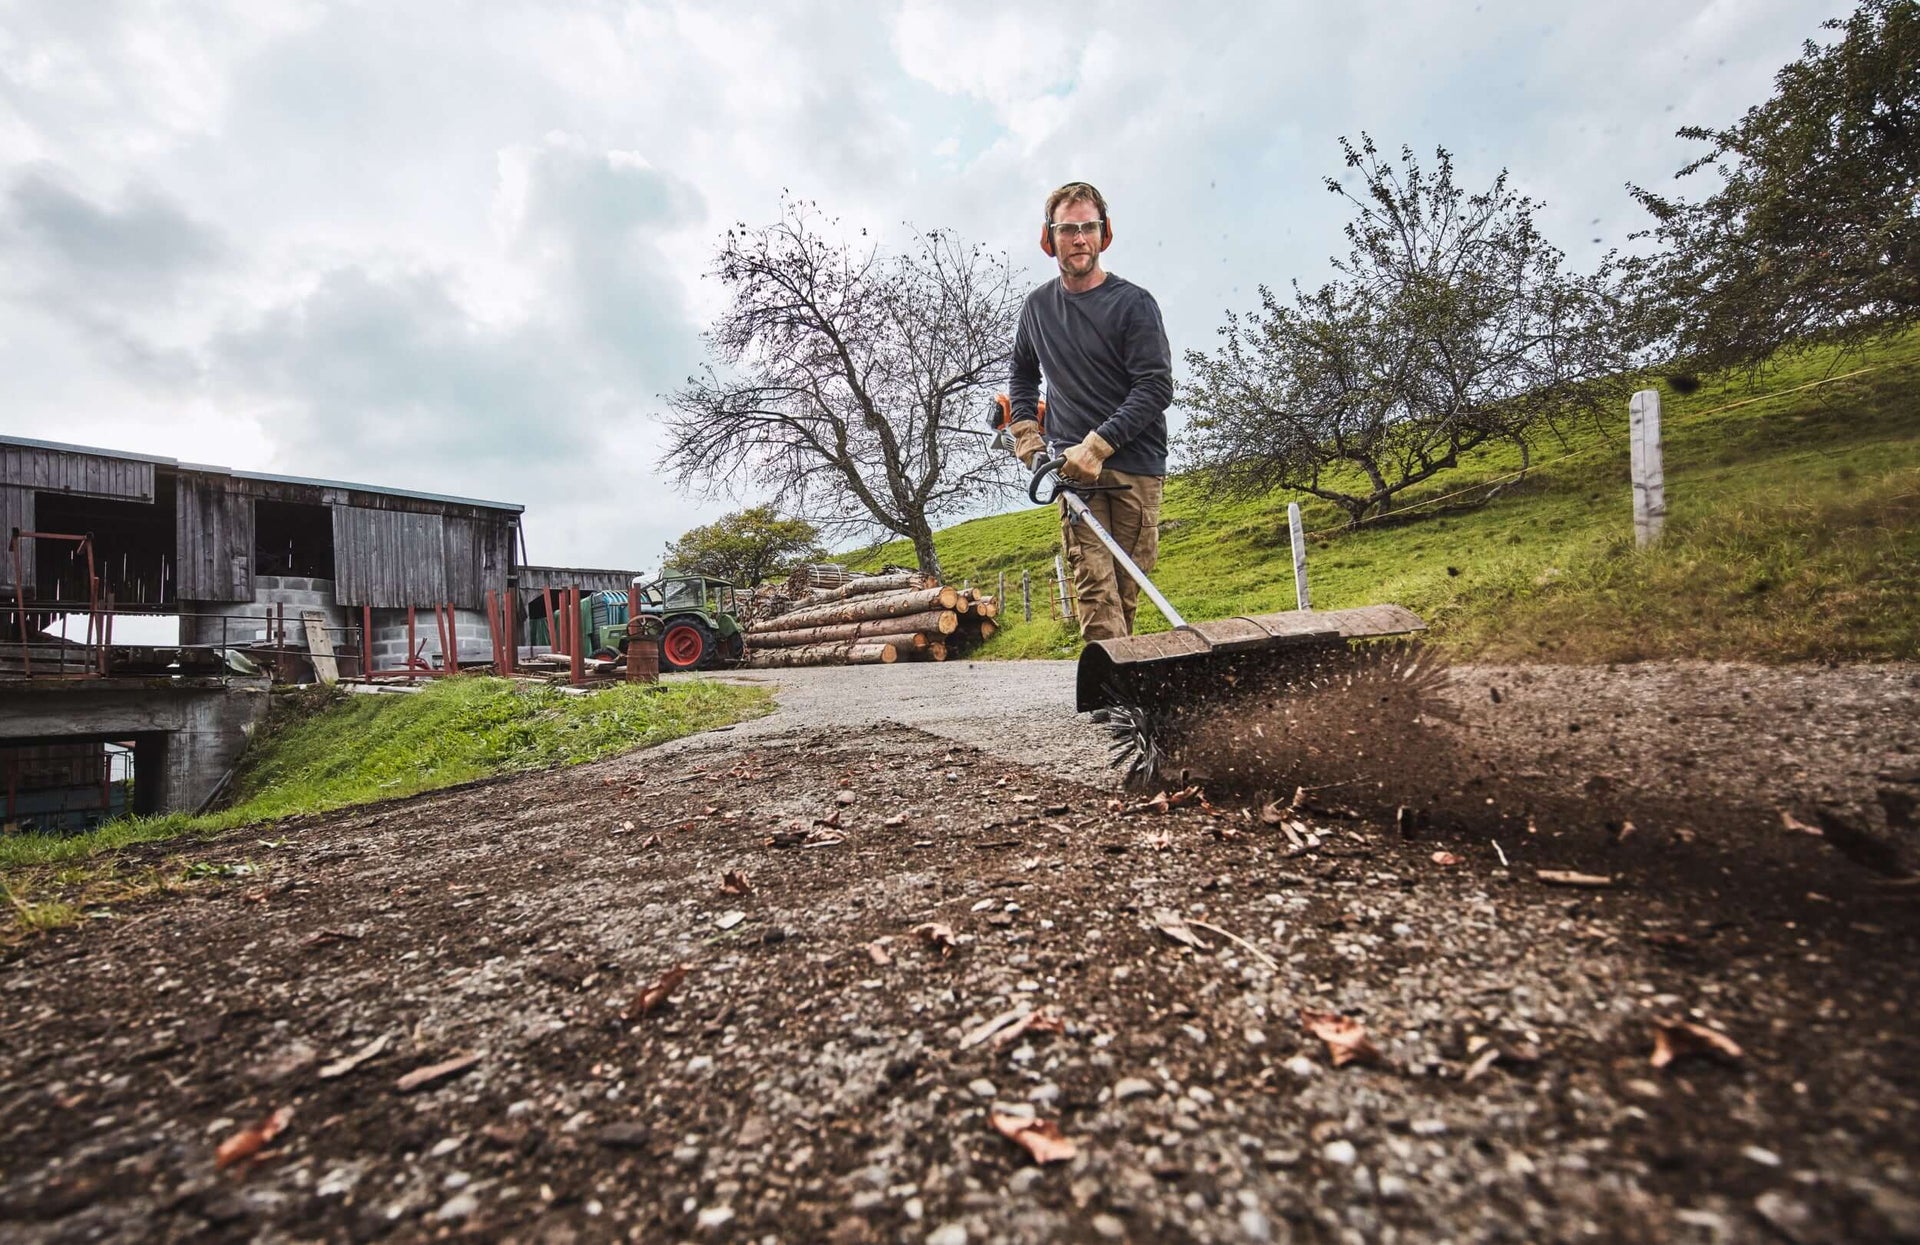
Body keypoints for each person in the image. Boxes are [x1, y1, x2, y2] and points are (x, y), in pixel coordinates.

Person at [1007, 181, 1173, 641]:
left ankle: (1126, 682)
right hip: (1073, 472)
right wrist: (1029, 439)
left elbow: (1155, 386)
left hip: (1135, 466)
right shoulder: (1038, 307)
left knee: (1126, 587)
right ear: (1049, 239)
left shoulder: (1133, 304)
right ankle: (1115, 701)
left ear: (1104, 234)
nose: (1079, 238)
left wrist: (1097, 446)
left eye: (1088, 227)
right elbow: (1022, 376)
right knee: (1094, 586)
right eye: (1067, 229)